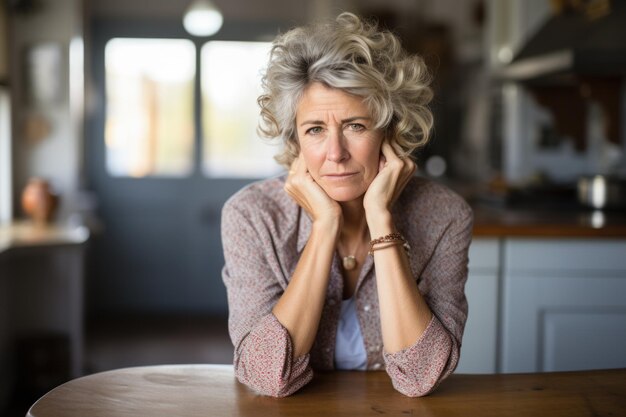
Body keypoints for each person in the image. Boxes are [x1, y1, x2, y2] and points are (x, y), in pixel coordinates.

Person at [221, 12, 473, 398]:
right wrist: (324, 228)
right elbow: (268, 377)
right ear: (295, 142)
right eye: (315, 130)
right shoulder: (252, 216)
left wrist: (380, 218)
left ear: (390, 131)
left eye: (356, 125)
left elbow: (421, 377)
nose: (335, 154)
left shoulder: (444, 215)